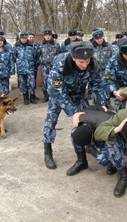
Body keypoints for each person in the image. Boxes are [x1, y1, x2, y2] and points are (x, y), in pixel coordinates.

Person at [41, 41, 108, 169]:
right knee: (51, 122)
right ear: (73, 58)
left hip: (79, 94)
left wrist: (102, 103)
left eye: (87, 61)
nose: (84, 64)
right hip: (59, 95)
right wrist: (72, 112)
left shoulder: (92, 63)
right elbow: (54, 90)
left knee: (87, 120)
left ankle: (88, 145)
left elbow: (97, 85)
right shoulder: (60, 64)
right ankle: (48, 151)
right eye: (81, 62)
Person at [67, 105, 116, 176]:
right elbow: (93, 107)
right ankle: (81, 162)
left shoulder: (107, 124)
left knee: (103, 159)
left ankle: (114, 163)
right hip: (95, 127)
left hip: (111, 132)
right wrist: (101, 108)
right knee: (74, 132)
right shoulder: (81, 116)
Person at [11, 31, 39, 105]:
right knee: (23, 84)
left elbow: (37, 55)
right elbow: (13, 57)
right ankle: (25, 98)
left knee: (31, 84)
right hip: (21, 69)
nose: (24, 39)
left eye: (25, 38)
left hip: (30, 68)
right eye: (22, 38)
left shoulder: (32, 45)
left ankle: (32, 97)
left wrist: (35, 64)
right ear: (20, 38)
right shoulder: (16, 46)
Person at [37, 29, 61, 102]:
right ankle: (46, 96)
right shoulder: (40, 44)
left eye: (49, 35)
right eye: (46, 35)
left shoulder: (56, 44)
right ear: (44, 36)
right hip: (44, 66)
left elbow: (59, 54)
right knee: (45, 81)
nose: (48, 37)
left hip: (54, 66)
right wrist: (41, 60)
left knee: (56, 80)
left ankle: (56, 95)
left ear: (51, 36)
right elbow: (37, 54)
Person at [27, 31, 41, 101]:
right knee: (26, 82)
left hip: (33, 66)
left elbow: (38, 55)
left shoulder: (36, 45)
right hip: (25, 67)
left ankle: (33, 95)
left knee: (33, 82)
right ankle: (27, 97)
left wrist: (37, 63)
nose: (31, 38)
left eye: (32, 37)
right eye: (30, 37)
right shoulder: (25, 45)